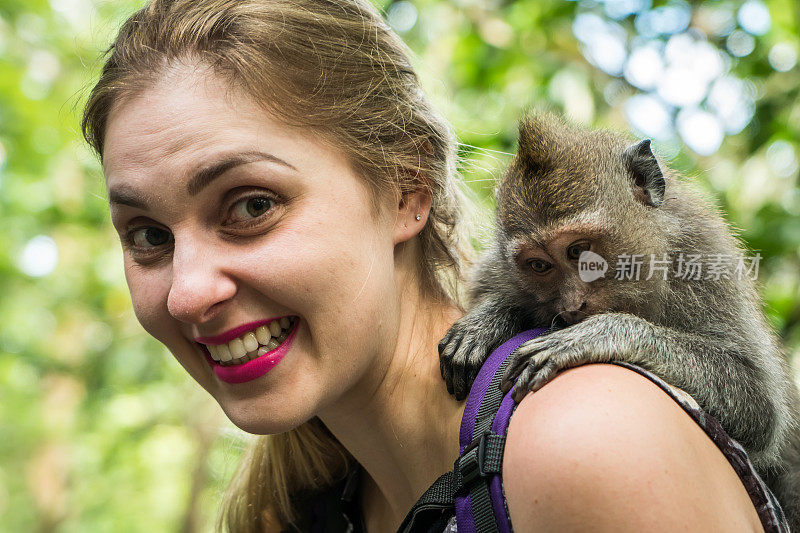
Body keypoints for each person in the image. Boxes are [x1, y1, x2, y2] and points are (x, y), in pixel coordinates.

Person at [82, 0, 779, 531]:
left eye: (252, 205)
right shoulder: (313, 502)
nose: (188, 293)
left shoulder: (581, 438)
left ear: (407, 189)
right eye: (146, 234)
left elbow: (758, 406)